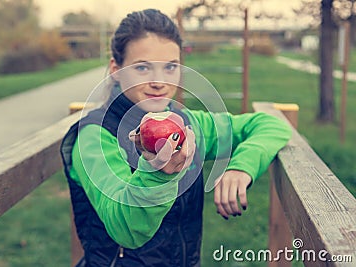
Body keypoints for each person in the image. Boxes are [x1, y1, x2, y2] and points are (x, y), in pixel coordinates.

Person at [61, 9, 292, 267]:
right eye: (142, 67)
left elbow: (270, 124)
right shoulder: (94, 137)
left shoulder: (190, 124)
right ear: (116, 69)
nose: (159, 81)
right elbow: (125, 229)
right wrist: (158, 175)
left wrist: (241, 166)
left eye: (170, 67)